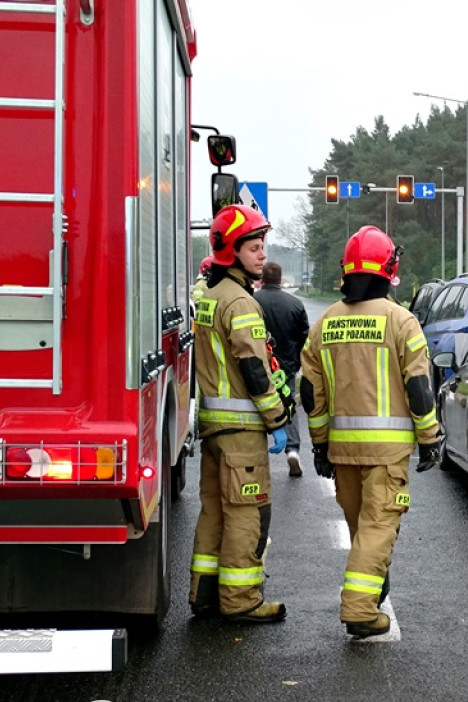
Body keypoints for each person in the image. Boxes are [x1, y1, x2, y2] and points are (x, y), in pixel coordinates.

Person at [300, 225, 441, 639]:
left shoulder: (325, 323)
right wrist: (429, 438)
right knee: (379, 528)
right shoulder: (402, 322)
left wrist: (320, 446)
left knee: (363, 530)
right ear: (389, 270)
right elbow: (419, 388)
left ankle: (373, 587)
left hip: (342, 451)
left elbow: (312, 393)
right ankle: (360, 610)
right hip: (386, 453)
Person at [189, 204, 290, 624]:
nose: (262, 255)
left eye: (262, 246)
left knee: (214, 512)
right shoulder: (242, 304)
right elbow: (254, 369)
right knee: (248, 514)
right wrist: (278, 419)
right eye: (253, 247)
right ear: (231, 252)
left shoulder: (210, 299)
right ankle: (241, 599)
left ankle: (205, 593)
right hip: (242, 433)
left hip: (214, 428)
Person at [255, 261, 310, 477]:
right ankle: (293, 450)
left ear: (262, 279)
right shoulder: (294, 304)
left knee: (258, 406)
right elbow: (305, 337)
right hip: (286, 367)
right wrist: (297, 363)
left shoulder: (251, 301)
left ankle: (257, 455)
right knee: (289, 405)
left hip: (258, 366)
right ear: (280, 280)